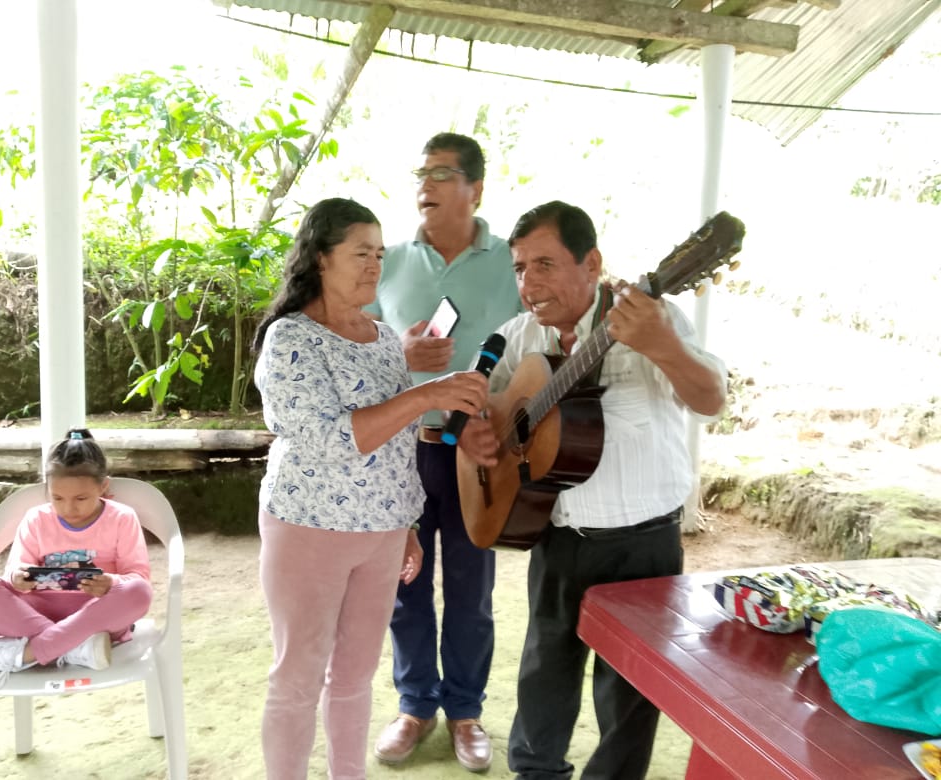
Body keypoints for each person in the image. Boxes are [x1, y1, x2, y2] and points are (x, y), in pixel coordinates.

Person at [459, 201, 727, 780]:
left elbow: (712, 401)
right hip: (555, 534)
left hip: (643, 545)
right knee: (544, 671)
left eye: (545, 265)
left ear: (592, 263)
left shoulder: (655, 319)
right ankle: (535, 772)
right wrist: (476, 432)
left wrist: (663, 345)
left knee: (629, 692)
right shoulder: (520, 334)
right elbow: (481, 406)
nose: (529, 283)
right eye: (520, 268)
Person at [251, 197, 489, 780]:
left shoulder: (383, 337)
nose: (374, 266)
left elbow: (398, 444)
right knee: (298, 679)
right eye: (361, 253)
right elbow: (328, 438)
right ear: (320, 257)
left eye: (380, 254)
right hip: (309, 527)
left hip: (381, 532)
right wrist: (427, 394)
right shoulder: (290, 338)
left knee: (356, 678)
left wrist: (406, 522)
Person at [366, 132, 522, 772]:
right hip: (402, 449)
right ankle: (414, 706)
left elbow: (539, 344)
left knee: (469, 588)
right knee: (402, 585)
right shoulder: (388, 262)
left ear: (474, 189)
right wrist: (397, 351)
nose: (424, 185)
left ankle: (465, 709)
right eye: (420, 174)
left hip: (477, 452)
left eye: (440, 174)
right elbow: (351, 345)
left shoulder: (511, 261)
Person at [0, 429, 153, 690]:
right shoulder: (36, 518)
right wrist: (18, 577)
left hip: (95, 617)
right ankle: (74, 648)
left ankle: (27, 654)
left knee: (139, 592)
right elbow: (14, 570)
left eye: (81, 498)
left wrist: (111, 582)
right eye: (57, 498)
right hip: (35, 614)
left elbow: (138, 577)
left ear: (103, 486)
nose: (69, 508)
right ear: (48, 488)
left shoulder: (122, 518)